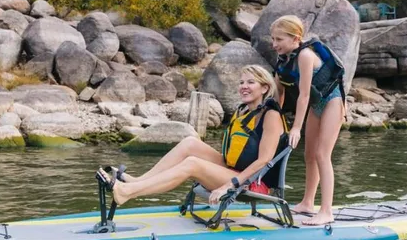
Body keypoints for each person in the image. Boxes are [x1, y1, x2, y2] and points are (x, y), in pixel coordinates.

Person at [97, 65, 287, 206]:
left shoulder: (271, 115)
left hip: (252, 182)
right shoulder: (243, 111)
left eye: (250, 82)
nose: (244, 86)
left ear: (264, 88)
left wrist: (229, 184)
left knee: (192, 164)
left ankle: (128, 192)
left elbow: (264, 161)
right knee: (189, 143)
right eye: (241, 82)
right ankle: (138, 181)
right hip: (233, 169)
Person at [270, 15, 345, 225]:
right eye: (273, 39)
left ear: (295, 38)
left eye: (279, 39)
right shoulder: (285, 59)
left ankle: (327, 210)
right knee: (309, 155)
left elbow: (303, 95)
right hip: (316, 105)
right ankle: (307, 202)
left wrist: (296, 128)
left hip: (333, 101)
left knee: (322, 154)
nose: (274, 44)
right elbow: (279, 91)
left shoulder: (304, 55)